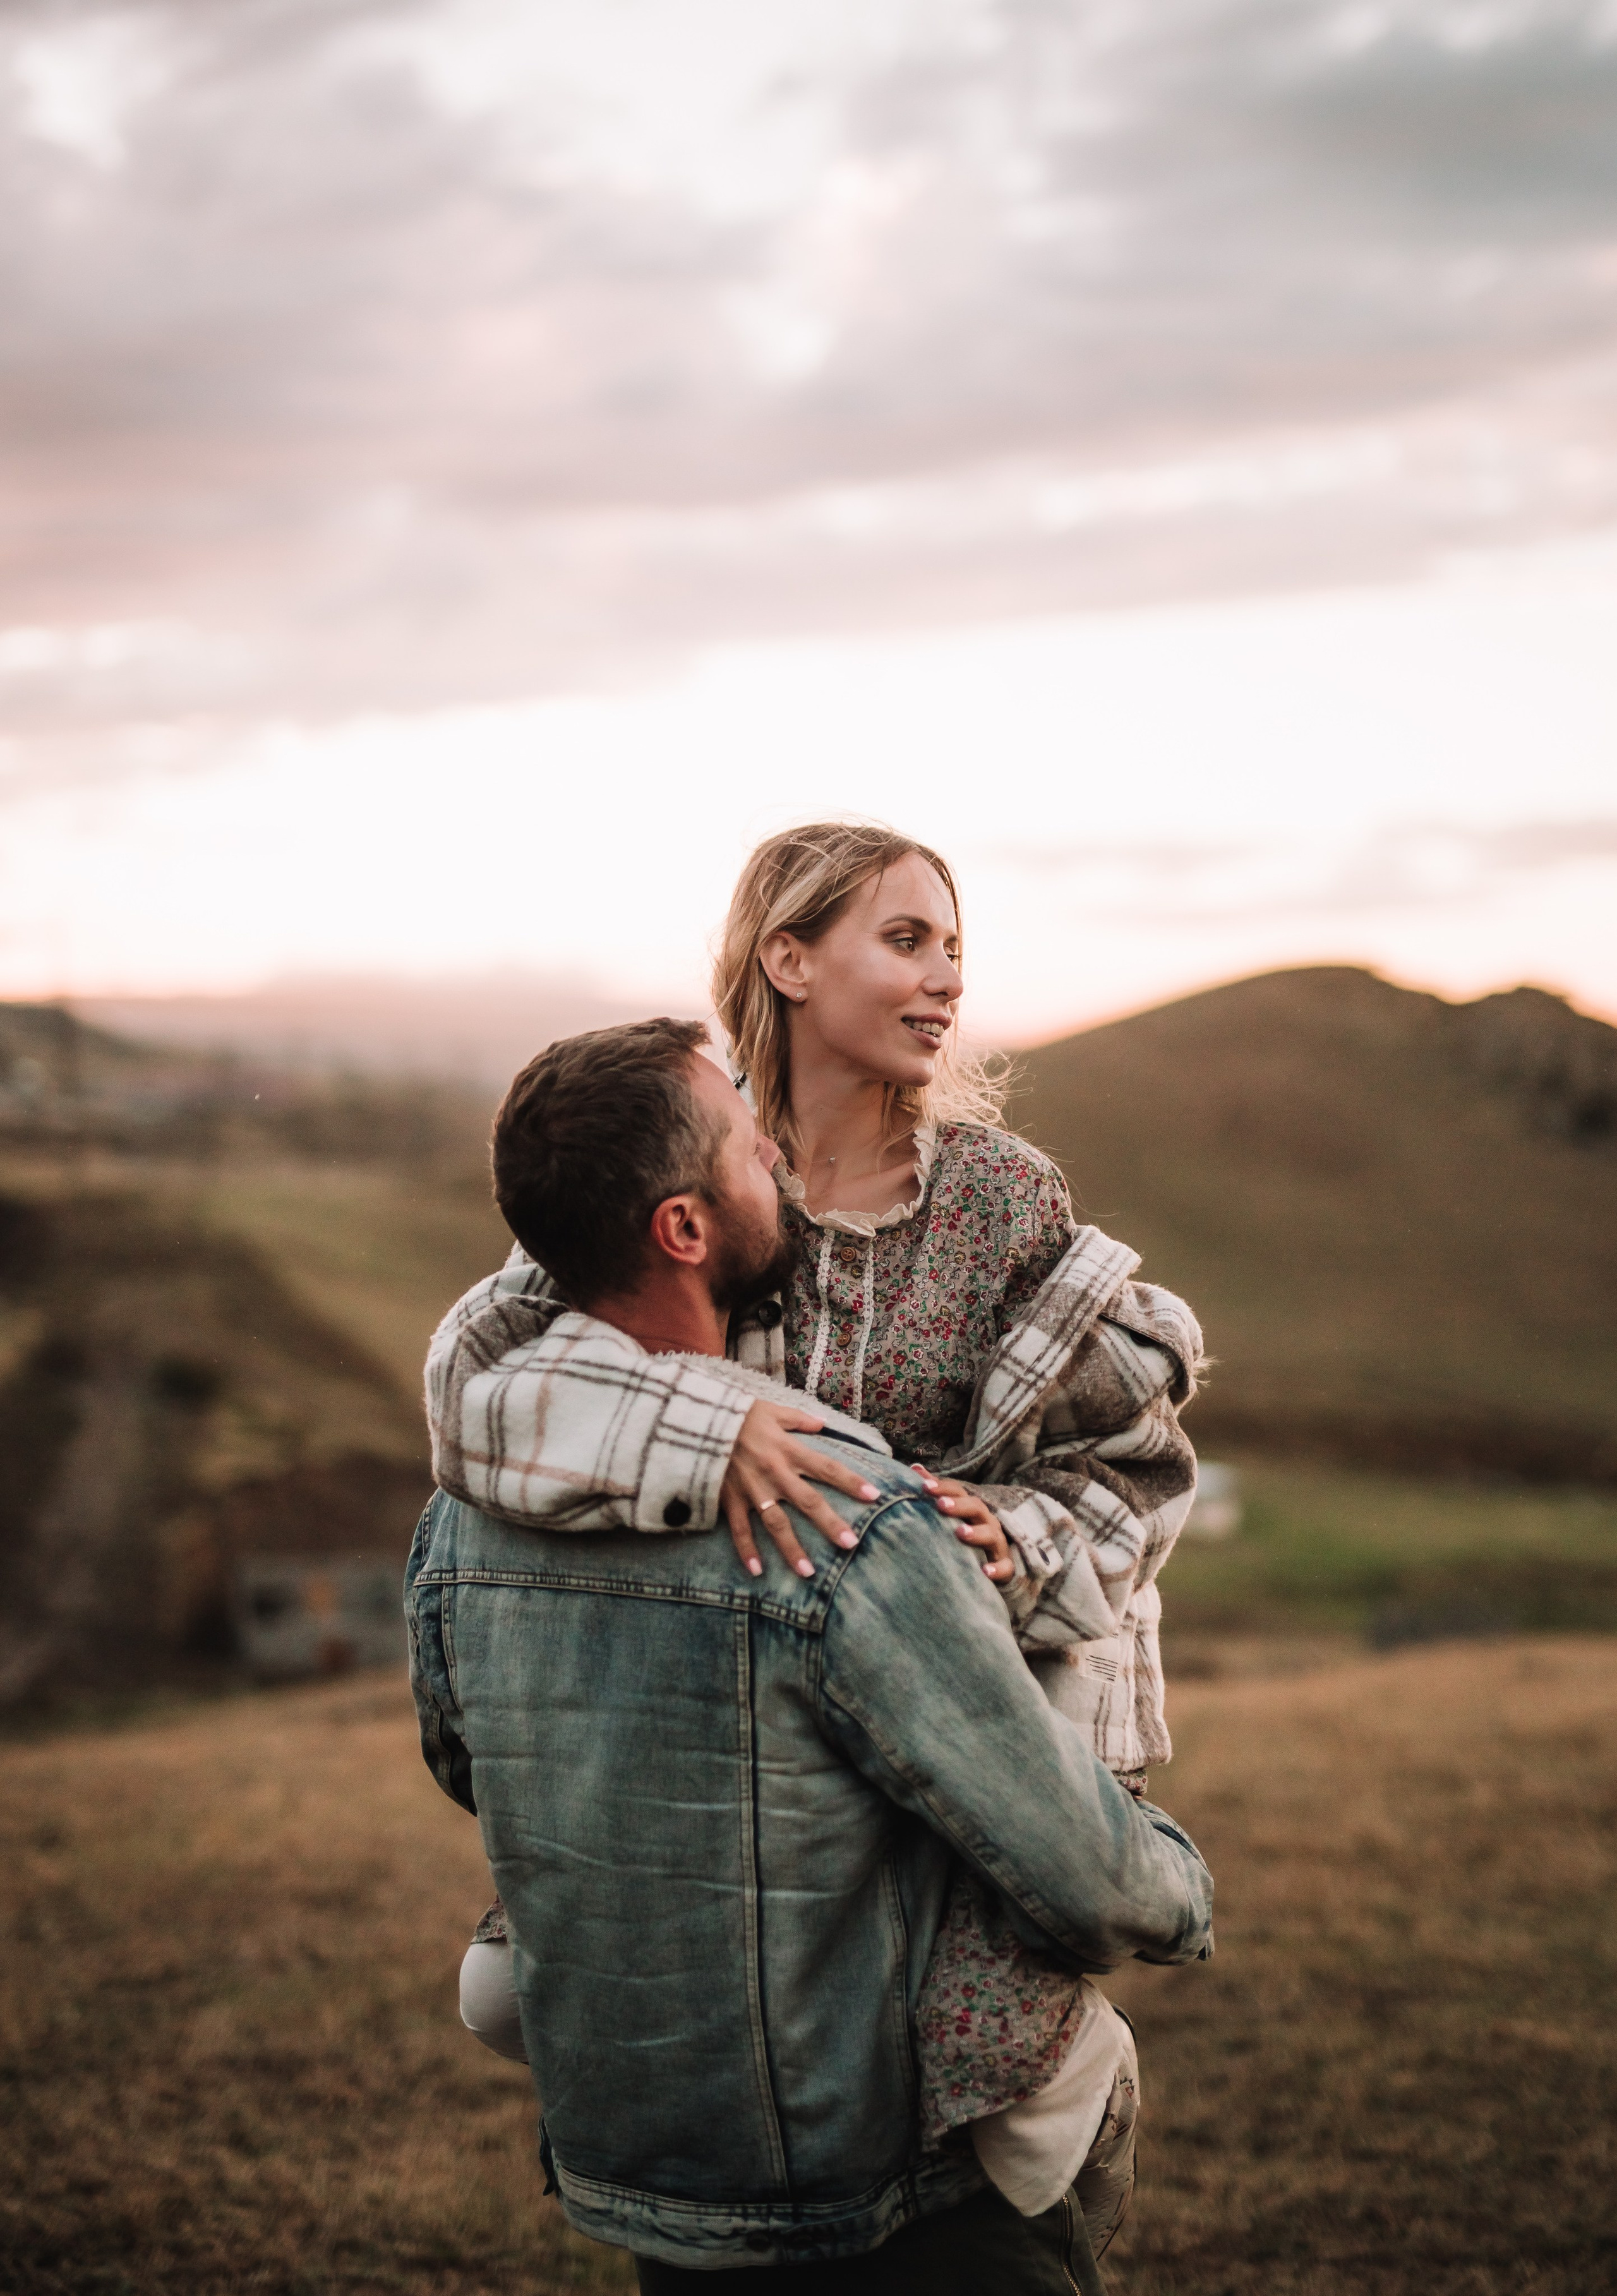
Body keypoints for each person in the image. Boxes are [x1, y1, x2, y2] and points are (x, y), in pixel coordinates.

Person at [429, 824, 1206, 2252]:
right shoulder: (677, 1173)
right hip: (724, 1758)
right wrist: (699, 1432)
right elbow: (485, 1388)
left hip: (953, 1732)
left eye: (953, 947)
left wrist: (1017, 1536)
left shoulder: (998, 1197)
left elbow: (1130, 1459)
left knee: (987, 2115)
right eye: (905, 941)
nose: (944, 980)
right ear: (787, 959)